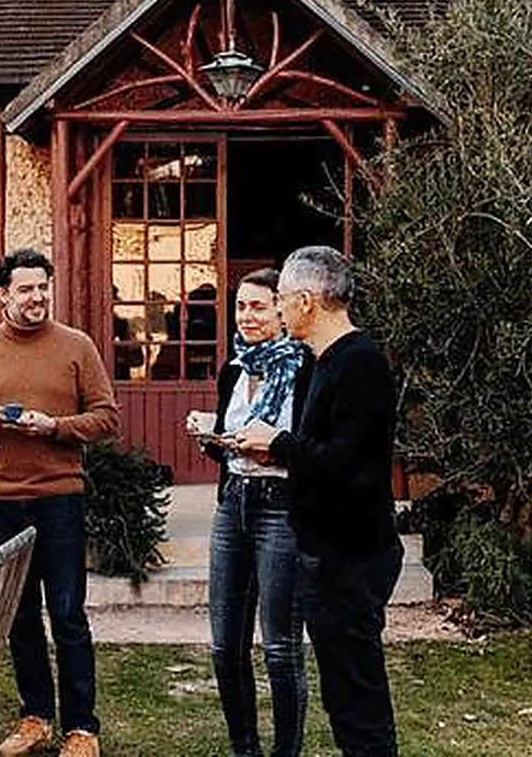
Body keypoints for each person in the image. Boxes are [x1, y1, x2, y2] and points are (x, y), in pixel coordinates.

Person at [0, 247, 119, 757]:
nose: (37, 296)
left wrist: (57, 427)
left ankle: (82, 728)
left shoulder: (76, 347)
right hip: (0, 501)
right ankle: (35, 717)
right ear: (3, 294)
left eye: (43, 287)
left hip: (60, 499)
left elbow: (106, 417)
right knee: (19, 617)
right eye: (25, 289)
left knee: (68, 615)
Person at [236, 246, 404, 757]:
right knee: (342, 694)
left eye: (283, 299)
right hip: (325, 553)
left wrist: (279, 444)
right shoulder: (322, 362)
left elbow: (349, 462)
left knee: (358, 696)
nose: (279, 310)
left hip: (352, 557)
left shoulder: (361, 363)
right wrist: (273, 453)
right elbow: (323, 454)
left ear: (307, 301)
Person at [195, 267, 313, 757]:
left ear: (282, 313)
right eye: (240, 306)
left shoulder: (308, 369)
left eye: (259, 306)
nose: (247, 316)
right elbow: (230, 448)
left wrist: (277, 450)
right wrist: (212, 436)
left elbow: (313, 446)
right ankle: (245, 749)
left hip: (282, 507)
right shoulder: (234, 369)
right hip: (234, 504)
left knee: (281, 647)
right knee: (225, 645)